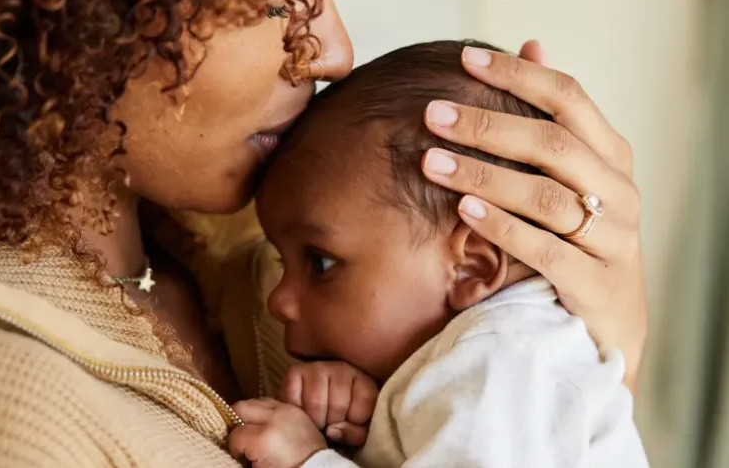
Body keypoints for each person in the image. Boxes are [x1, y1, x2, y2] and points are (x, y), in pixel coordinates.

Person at [0, 0, 647, 466]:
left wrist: (588, 352)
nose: (333, 50)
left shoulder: (270, 254)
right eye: (279, 0)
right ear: (88, 4)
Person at [226, 41, 649, 468]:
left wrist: (309, 460)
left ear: (470, 267)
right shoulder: (503, 355)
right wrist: (373, 411)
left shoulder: (502, 361)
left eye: (320, 262)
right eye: (284, 262)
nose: (278, 300)